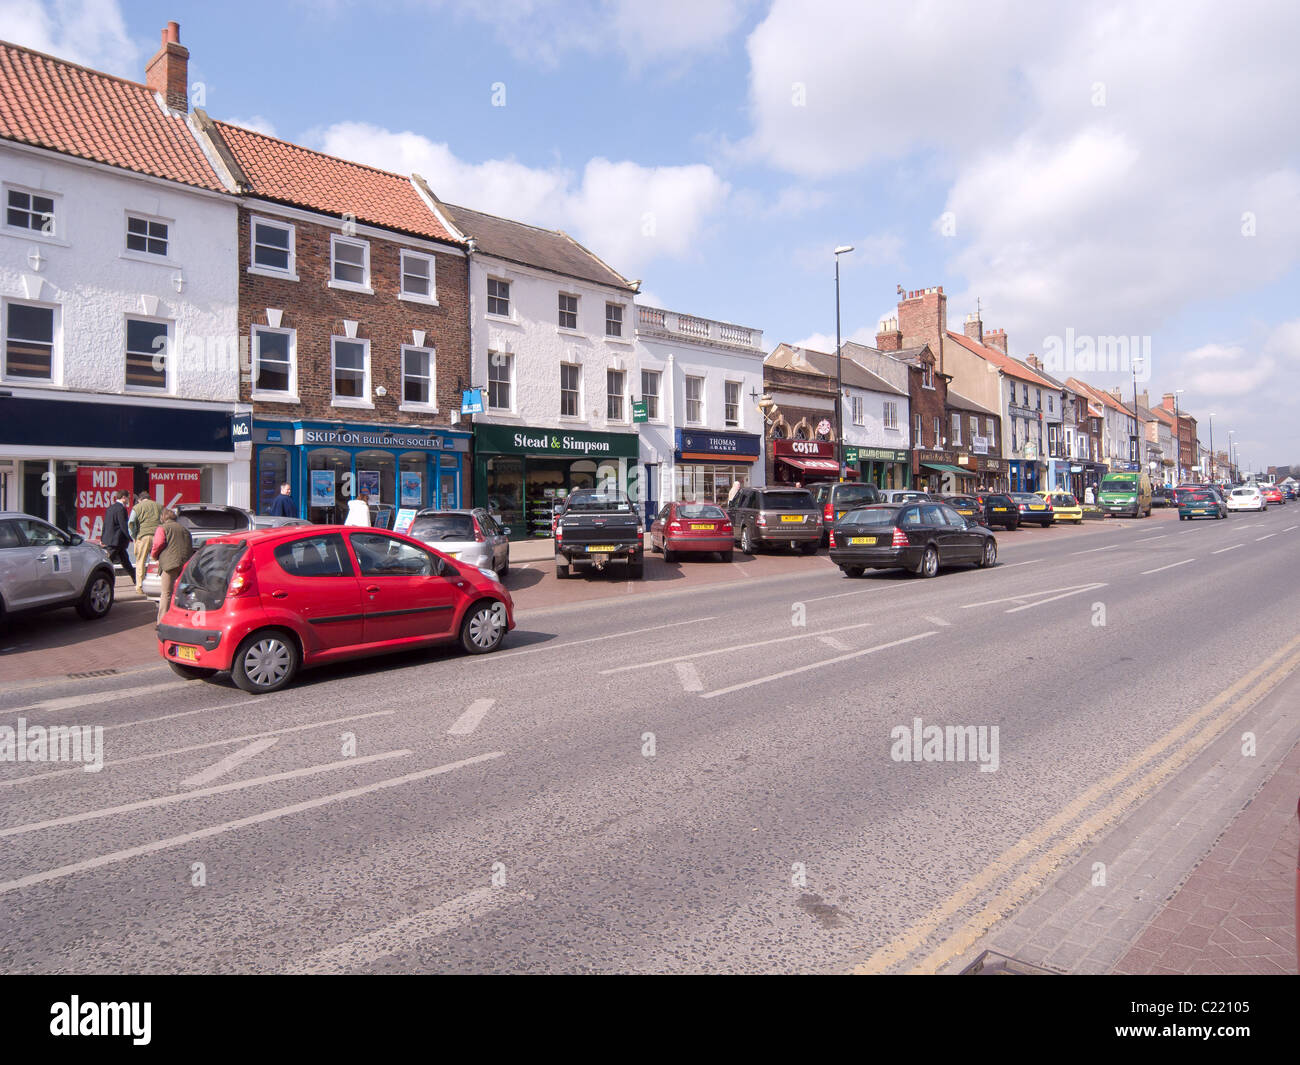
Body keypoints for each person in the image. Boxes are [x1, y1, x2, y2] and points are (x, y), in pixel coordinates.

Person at [151, 508, 194, 623]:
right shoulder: (185, 530)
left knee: (166, 593)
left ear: (163, 518)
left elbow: (158, 544)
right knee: (184, 593)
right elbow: (190, 545)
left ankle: (162, 621)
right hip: (185, 564)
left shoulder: (162, 528)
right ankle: (184, 619)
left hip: (169, 565)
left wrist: (154, 556)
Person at [129, 490, 163, 595]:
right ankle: (158, 583)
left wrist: (134, 535)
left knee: (140, 561)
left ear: (140, 499)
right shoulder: (159, 506)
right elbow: (163, 521)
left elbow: (131, 522)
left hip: (143, 536)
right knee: (156, 561)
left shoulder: (137, 507)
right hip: (157, 535)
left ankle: (139, 587)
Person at [101, 490, 133, 575]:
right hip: (116, 540)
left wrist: (102, 538)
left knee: (126, 562)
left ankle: (136, 579)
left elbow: (105, 524)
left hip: (112, 540)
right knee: (107, 561)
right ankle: (99, 576)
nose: (129, 500)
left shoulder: (110, 508)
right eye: (128, 498)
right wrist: (130, 537)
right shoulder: (121, 509)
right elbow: (123, 525)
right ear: (123, 497)